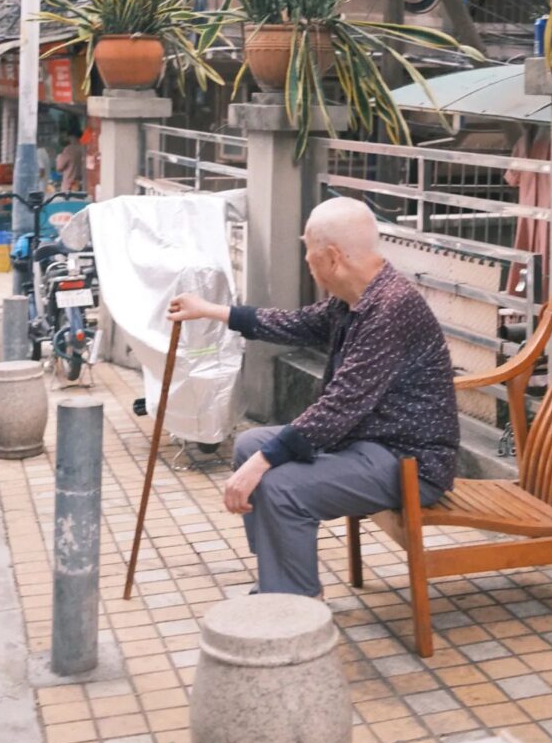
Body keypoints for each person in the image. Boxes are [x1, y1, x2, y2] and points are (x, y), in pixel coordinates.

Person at [168, 197, 458, 599]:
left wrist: (262, 463)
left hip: (409, 461)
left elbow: (340, 406)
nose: (307, 263)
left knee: (279, 485)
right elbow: (295, 323)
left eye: (309, 255)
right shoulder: (355, 300)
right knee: (250, 444)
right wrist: (209, 310)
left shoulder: (390, 308)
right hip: (367, 441)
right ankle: (278, 575)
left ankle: (297, 601)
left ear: (333, 257)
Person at [56, 127, 85, 192]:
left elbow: (59, 167)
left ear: (72, 137)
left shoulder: (69, 150)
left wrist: (59, 157)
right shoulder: (84, 149)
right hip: (82, 185)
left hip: (70, 185)